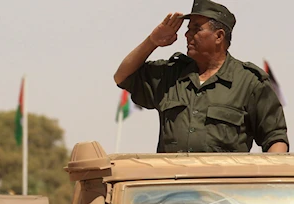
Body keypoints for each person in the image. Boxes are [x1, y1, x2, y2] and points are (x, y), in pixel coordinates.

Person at [114, 0, 288, 154]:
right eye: (188, 29)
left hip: (223, 188)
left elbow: (275, 139)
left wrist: (267, 182)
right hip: (173, 187)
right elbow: (122, 76)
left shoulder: (249, 82)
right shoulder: (172, 75)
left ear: (219, 36)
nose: (187, 35)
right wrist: (152, 41)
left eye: (196, 29)